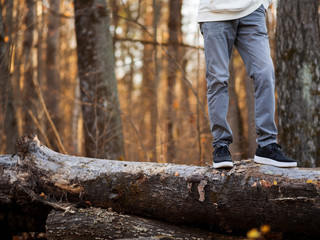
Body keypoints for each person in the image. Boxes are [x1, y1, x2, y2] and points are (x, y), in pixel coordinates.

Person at [198, 0, 297, 168]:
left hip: (252, 11)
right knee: (218, 78)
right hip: (214, 13)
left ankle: (267, 145)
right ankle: (221, 145)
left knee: (265, 72)